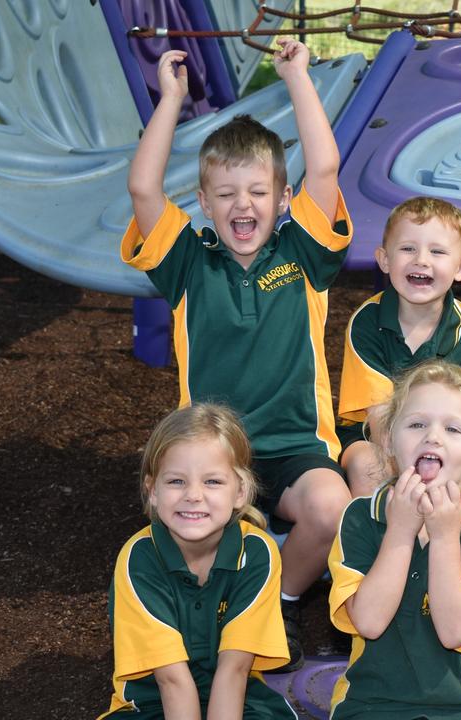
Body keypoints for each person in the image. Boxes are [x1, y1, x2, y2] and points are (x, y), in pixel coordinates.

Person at [122, 39, 353, 671]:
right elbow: (144, 189)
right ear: (204, 203)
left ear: (283, 200)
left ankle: (280, 600)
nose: (241, 205)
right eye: (225, 194)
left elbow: (325, 167)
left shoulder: (301, 256)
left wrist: (296, 77)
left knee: (332, 508)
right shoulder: (188, 262)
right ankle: (203, 624)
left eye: (257, 191)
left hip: (297, 445)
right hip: (215, 449)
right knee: (198, 527)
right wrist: (169, 100)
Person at [327, 360, 461, 719]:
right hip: (370, 704)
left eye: (453, 429)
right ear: (389, 440)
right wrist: (399, 530)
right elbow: (368, 622)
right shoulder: (359, 518)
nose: (433, 436)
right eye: (416, 424)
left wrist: (445, 537)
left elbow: (453, 632)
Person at [100, 404, 295, 719]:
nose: (193, 495)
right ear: (152, 490)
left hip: (241, 700)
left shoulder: (257, 553)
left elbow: (235, 669)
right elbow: (171, 680)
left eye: (213, 482)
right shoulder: (139, 559)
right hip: (152, 704)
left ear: (240, 491)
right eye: (176, 481)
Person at [337, 196, 461, 511]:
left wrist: (437, 458)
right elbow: (380, 418)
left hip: (447, 439)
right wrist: (418, 462)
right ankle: (377, 552)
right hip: (378, 438)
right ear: (384, 259)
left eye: (437, 251)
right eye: (408, 249)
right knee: (366, 463)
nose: (421, 260)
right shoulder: (367, 322)